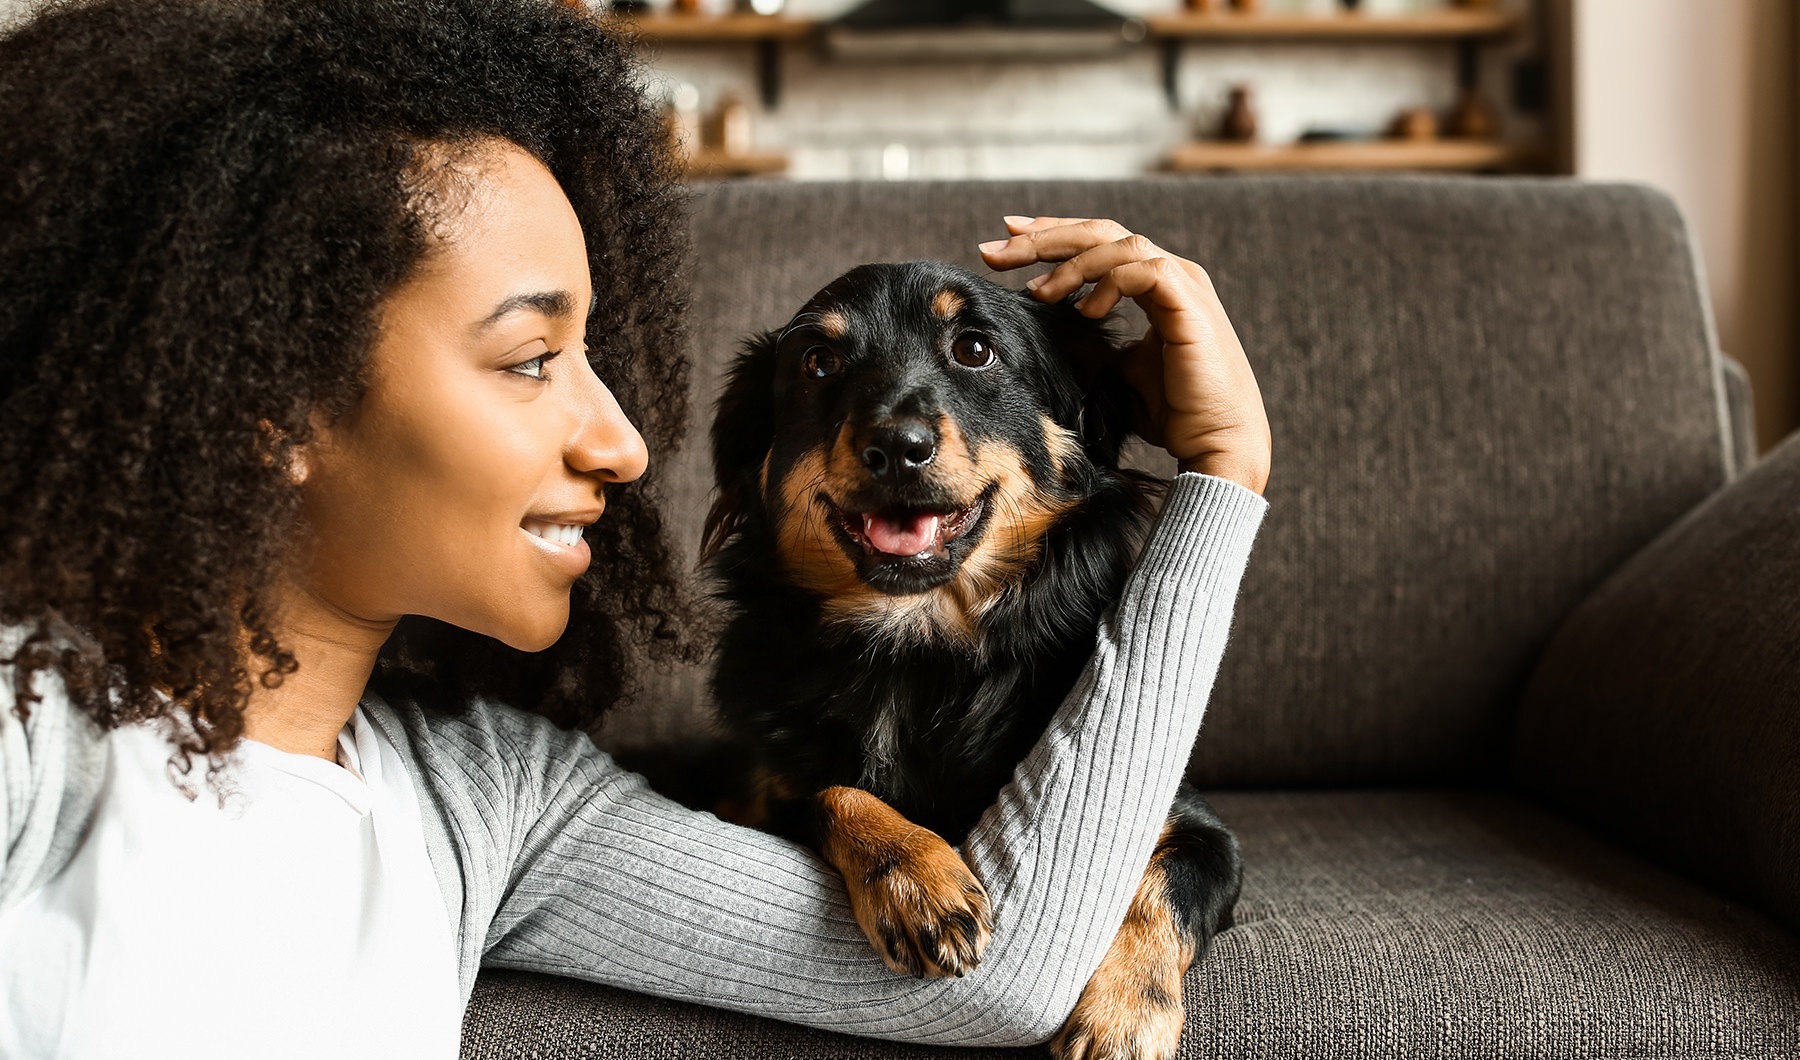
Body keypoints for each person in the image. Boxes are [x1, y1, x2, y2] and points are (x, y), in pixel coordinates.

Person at [0, 1, 1271, 1057]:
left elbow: (1007, 972)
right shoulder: (31, 735)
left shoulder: (493, 802)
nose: (623, 444)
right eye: (531, 357)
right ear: (272, 394)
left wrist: (1223, 476)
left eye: (595, 355)